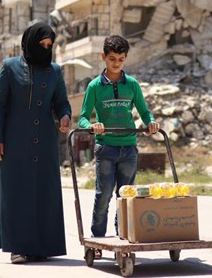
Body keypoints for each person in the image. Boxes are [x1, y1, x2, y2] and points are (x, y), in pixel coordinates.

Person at [0, 22, 72, 264]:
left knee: (44, 194)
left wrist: (65, 116)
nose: (45, 49)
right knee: (17, 193)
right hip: (15, 142)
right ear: (29, 42)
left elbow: (62, 102)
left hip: (45, 142)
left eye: (49, 46)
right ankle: (17, 247)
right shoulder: (10, 67)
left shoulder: (55, 71)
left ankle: (43, 246)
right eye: (41, 45)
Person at [78, 35, 159, 258]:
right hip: (106, 149)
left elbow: (144, 111)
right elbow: (83, 118)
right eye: (112, 58)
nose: (116, 63)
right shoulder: (94, 86)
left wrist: (150, 122)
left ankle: (122, 242)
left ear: (125, 59)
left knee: (125, 197)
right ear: (103, 57)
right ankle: (97, 241)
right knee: (103, 194)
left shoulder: (132, 84)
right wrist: (92, 126)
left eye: (121, 59)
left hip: (129, 148)